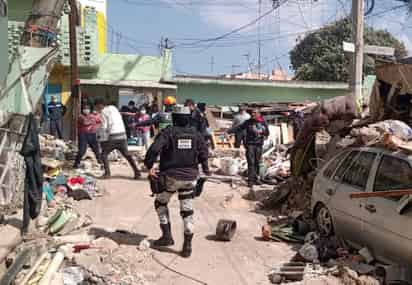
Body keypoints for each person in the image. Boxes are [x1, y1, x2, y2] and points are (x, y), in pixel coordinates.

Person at [144, 105, 210, 258]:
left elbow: (154, 150)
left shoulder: (168, 132)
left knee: (160, 202)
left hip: (171, 178)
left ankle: (167, 237)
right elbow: (204, 153)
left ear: (173, 118)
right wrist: (205, 170)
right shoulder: (196, 134)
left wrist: (149, 166)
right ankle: (187, 247)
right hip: (190, 178)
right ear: (188, 118)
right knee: (187, 210)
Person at [94, 98, 141, 179]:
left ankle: (107, 173)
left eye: (96, 107)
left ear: (99, 105)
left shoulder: (103, 112)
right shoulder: (114, 108)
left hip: (113, 136)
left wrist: (100, 137)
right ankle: (137, 172)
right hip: (123, 135)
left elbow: (104, 127)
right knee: (127, 154)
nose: (96, 109)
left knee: (104, 155)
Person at [228, 109, 269, 187]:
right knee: (251, 162)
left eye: (255, 113)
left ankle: (256, 179)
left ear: (259, 114)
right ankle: (250, 181)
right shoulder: (248, 122)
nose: (253, 114)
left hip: (259, 145)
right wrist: (228, 131)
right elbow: (238, 128)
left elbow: (267, 133)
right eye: (252, 113)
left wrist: (263, 131)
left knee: (257, 162)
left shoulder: (263, 122)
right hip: (250, 144)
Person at [73, 104, 102, 168]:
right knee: (82, 151)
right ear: (82, 110)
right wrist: (93, 119)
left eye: (87, 109)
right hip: (83, 135)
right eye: (85, 109)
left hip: (92, 134)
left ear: (90, 110)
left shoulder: (92, 115)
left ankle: (101, 163)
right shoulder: (80, 116)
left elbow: (100, 121)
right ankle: (76, 164)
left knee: (96, 150)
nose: (86, 110)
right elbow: (85, 123)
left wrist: (97, 126)